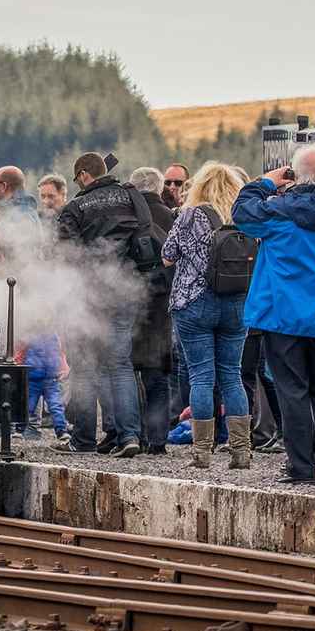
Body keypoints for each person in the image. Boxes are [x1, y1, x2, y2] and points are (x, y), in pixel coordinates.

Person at [233, 143, 315, 485]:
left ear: (294, 174)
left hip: (284, 316)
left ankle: (302, 468)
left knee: (293, 393)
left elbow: (241, 212)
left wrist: (265, 181)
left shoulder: (276, 213)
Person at [53, 152, 151, 458]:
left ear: (83, 175)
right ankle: (129, 436)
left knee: (83, 367)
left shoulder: (75, 207)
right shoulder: (131, 196)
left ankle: (82, 439)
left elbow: (64, 255)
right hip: (125, 287)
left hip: (89, 294)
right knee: (120, 366)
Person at [161, 162, 251, 469]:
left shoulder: (190, 215)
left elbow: (168, 255)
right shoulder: (245, 216)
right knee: (232, 375)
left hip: (194, 302)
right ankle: (241, 451)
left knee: (201, 376)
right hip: (237, 302)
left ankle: (201, 452)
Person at [129, 167, 176, 454]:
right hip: (163, 302)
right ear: (159, 189)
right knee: (158, 372)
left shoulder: (127, 215)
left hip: (130, 297)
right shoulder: (170, 216)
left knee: (128, 371)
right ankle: (158, 438)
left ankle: (135, 434)